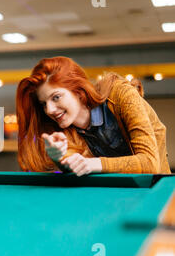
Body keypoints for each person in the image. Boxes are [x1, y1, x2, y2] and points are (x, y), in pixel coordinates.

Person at [16, 56, 170, 175]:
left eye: (56, 97)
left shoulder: (121, 94)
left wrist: (93, 164)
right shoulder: (64, 130)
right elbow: (77, 166)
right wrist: (58, 157)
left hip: (156, 195)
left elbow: (150, 163)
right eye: (44, 103)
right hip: (110, 198)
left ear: (78, 91)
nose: (49, 110)